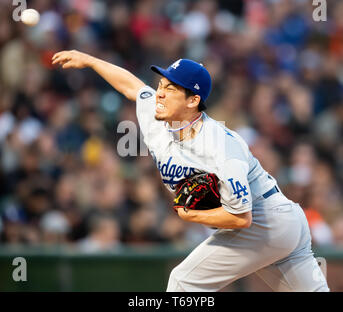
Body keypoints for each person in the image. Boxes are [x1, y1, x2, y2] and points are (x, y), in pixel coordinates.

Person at [52, 51, 329, 292]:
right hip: (283, 224)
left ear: (192, 100)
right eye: (161, 84)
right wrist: (89, 61)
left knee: (183, 283)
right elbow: (132, 87)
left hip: (265, 219)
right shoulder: (158, 113)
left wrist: (192, 214)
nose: (159, 92)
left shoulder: (220, 145)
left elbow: (242, 217)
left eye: (170, 89)